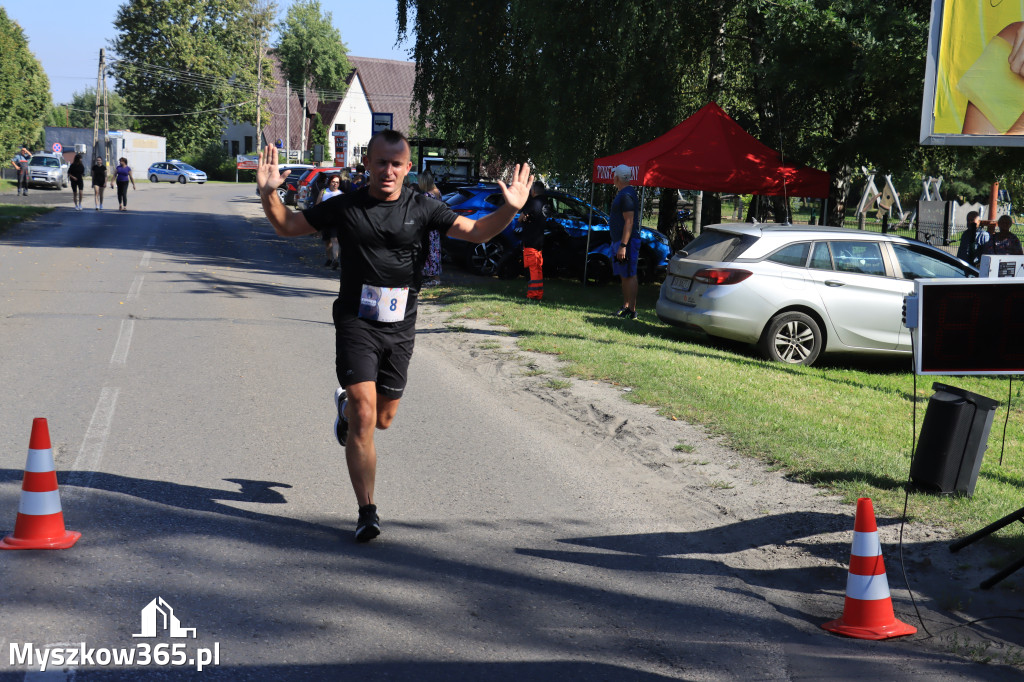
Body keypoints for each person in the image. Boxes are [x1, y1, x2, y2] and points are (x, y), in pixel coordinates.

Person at [255, 129, 532, 542]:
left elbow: (474, 232)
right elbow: (288, 226)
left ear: (407, 168)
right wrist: (268, 194)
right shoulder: (346, 205)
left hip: (401, 325)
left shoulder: (425, 208)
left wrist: (509, 211)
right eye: (381, 161)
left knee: (382, 419)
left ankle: (345, 410)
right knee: (367, 415)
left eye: (396, 163)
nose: (388, 170)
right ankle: (367, 511)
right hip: (356, 320)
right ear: (367, 163)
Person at [610, 164, 641, 319]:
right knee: (624, 274)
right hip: (621, 241)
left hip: (627, 242)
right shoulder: (623, 193)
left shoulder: (626, 195)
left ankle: (632, 309)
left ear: (616, 178)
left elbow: (629, 222)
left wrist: (623, 245)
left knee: (630, 274)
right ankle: (626, 306)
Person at [520, 180, 549, 301]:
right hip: (540, 239)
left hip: (530, 239)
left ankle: (532, 295)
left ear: (533, 190)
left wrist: (525, 218)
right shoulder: (546, 203)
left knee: (532, 269)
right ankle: (538, 293)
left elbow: (520, 218)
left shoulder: (532, 202)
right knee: (537, 268)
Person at [417, 171, 443, 286]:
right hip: (436, 227)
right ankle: (435, 276)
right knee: (435, 251)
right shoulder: (438, 192)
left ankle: (434, 278)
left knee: (429, 251)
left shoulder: (427, 196)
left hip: (428, 228)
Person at [317, 174, 344, 270]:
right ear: (329, 182)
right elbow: (317, 205)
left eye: (337, 182)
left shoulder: (341, 194)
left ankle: (335, 260)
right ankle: (329, 258)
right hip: (325, 221)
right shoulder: (324, 192)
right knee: (327, 242)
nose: (335, 184)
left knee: (335, 240)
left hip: (336, 222)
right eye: (333, 182)